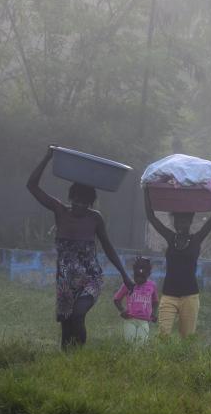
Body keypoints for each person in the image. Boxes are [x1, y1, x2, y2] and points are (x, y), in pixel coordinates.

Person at [27, 146, 132, 350]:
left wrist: (124, 275)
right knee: (66, 325)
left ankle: (80, 355)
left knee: (78, 315)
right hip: (65, 279)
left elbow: (108, 248)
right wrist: (47, 157)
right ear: (70, 199)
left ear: (90, 204)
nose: (79, 206)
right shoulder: (60, 211)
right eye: (75, 201)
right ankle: (68, 361)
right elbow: (32, 185)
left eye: (84, 203)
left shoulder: (95, 218)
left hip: (90, 278)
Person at [144, 185, 211, 337]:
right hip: (169, 295)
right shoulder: (170, 237)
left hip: (190, 296)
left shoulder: (196, 239)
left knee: (187, 338)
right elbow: (151, 217)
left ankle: (182, 361)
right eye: (177, 221)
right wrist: (145, 190)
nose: (180, 225)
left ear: (190, 222)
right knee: (163, 335)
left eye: (184, 221)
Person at [113, 256, 158, 344]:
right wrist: (122, 310)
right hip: (130, 320)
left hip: (144, 321)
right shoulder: (128, 284)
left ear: (149, 274)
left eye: (142, 277)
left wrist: (154, 313)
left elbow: (155, 301)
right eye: (137, 276)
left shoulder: (152, 285)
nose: (139, 279)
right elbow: (116, 299)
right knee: (130, 344)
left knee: (141, 345)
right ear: (133, 272)